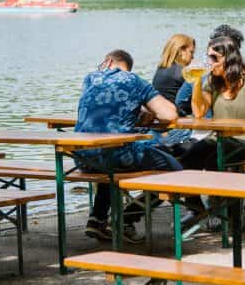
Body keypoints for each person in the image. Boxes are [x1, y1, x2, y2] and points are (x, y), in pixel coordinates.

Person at [72, 49, 183, 244]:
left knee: (108, 162)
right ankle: (125, 220)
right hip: (115, 156)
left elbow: (106, 108)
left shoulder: (90, 79)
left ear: (107, 63)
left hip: (82, 158)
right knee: (175, 171)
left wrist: (136, 112)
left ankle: (97, 219)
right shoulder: (133, 81)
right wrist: (147, 110)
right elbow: (170, 115)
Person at [181, 34, 245, 170]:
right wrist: (197, 80)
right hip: (220, 139)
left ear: (229, 58)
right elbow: (199, 112)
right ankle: (189, 191)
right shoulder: (213, 81)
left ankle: (220, 191)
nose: (210, 62)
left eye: (214, 58)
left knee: (214, 157)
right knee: (191, 155)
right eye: (208, 57)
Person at [152, 34, 196, 103]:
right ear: (181, 50)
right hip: (174, 111)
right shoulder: (181, 73)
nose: (193, 57)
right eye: (191, 52)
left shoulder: (161, 69)